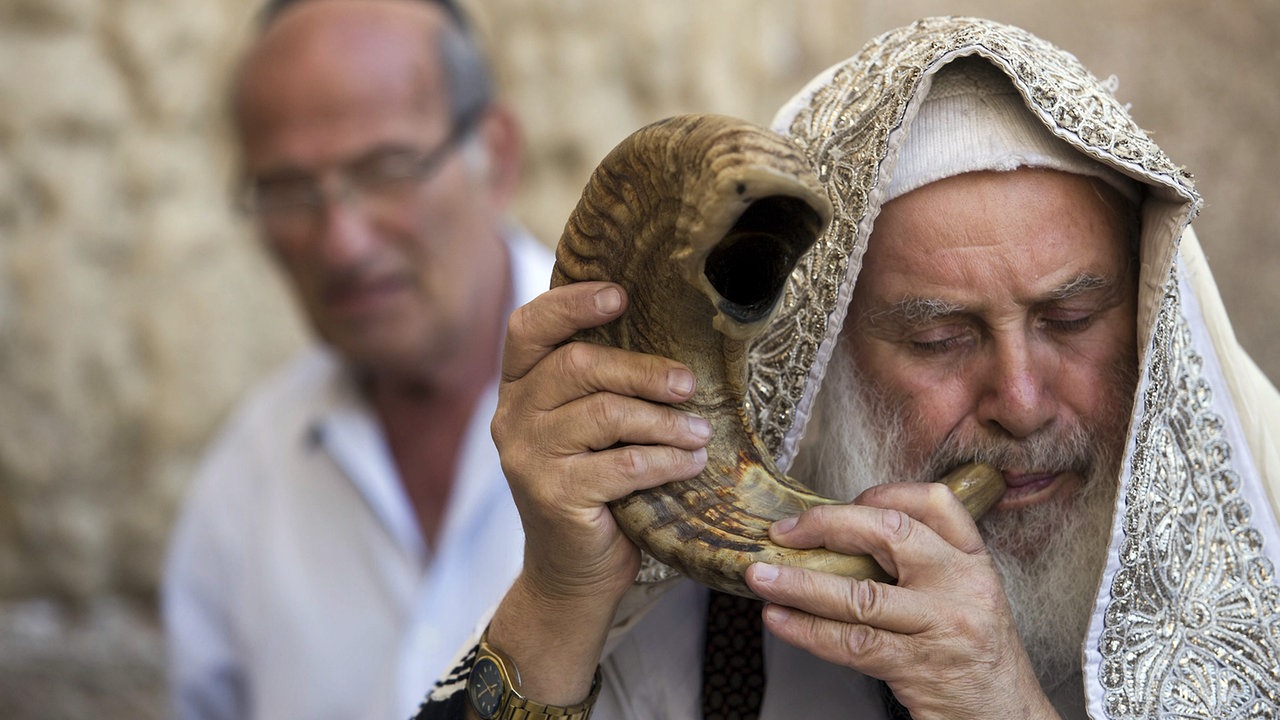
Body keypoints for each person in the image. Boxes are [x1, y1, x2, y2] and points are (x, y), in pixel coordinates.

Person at [411, 15, 1280, 720]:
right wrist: (562, 598)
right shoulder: (700, 652)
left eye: (1072, 319)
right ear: (822, 363)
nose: (1019, 401)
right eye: (940, 337)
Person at [160, 0, 553, 718]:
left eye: (387, 169)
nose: (340, 241)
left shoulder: (660, 413)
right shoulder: (246, 484)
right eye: (286, 191)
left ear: (495, 155)